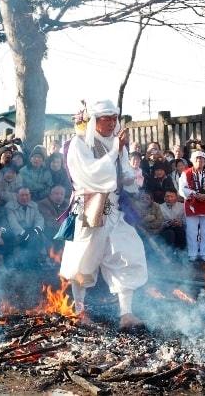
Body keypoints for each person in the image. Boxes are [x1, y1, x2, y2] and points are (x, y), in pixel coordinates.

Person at [60, 99, 147, 330]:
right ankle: (79, 311)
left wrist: (131, 179)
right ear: (94, 121)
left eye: (114, 118)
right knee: (84, 258)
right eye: (105, 118)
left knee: (127, 253)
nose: (111, 123)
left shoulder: (119, 144)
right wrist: (116, 151)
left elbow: (126, 174)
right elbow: (93, 175)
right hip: (90, 203)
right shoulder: (79, 143)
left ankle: (126, 313)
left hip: (115, 206)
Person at [179, 150, 205, 261]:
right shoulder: (186, 173)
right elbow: (182, 188)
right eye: (197, 159)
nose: (199, 161)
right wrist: (194, 194)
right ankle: (192, 253)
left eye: (202, 159)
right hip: (192, 203)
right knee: (192, 231)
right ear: (192, 160)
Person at [5, 186, 45, 264]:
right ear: (17, 196)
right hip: (17, 233)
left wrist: (36, 229)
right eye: (22, 195)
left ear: (30, 195)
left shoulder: (34, 205)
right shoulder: (9, 206)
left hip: (32, 231)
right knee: (26, 241)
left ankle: (41, 259)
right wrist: (24, 233)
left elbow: (39, 218)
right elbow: (12, 223)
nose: (24, 197)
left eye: (27, 195)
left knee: (42, 238)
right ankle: (23, 261)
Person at [159, 188, 186, 253]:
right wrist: (168, 223)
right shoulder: (160, 207)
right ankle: (169, 254)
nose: (169, 199)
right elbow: (159, 223)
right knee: (170, 233)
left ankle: (181, 253)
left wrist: (180, 223)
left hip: (179, 228)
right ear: (164, 198)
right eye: (167, 196)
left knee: (179, 230)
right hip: (166, 229)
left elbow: (186, 220)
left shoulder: (182, 206)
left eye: (172, 196)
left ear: (176, 197)